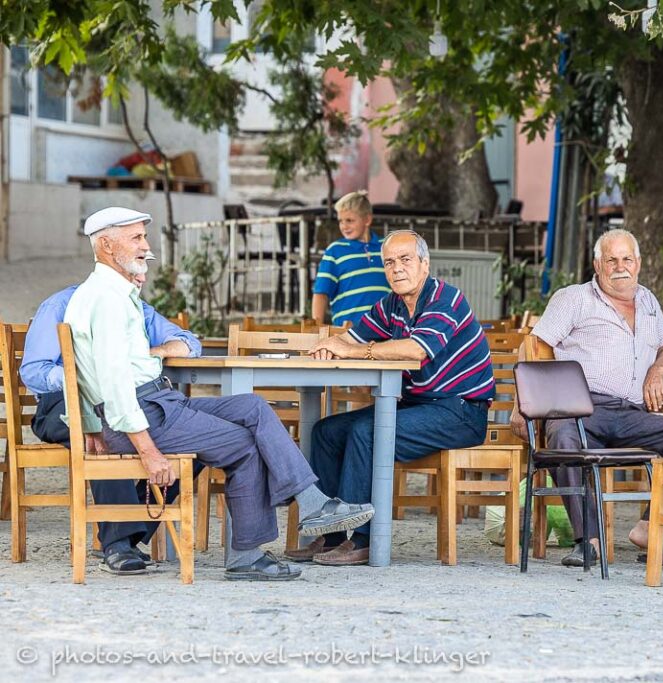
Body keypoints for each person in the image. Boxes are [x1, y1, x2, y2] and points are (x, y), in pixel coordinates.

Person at [64, 206, 369, 581]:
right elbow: (111, 381)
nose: (146, 245)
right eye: (137, 237)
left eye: (144, 236)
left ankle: (312, 503)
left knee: (252, 407)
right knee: (244, 444)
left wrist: (94, 427)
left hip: (157, 403)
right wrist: (147, 450)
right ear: (107, 245)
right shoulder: (107, 299)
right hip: (145, 412)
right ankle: (247, 556)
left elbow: (85, 374)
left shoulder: (103, 293)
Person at [512, 228, 663, 567]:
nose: (620, 267)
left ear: (638, 263)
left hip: (633, 412)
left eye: (627, 259)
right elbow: (533, 346)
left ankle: (648, 528)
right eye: (611, 260)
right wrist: (524, 405)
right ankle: (587, 539)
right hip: (582, 408)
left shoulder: (648, 300)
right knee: (562, 438)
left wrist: (658, 369)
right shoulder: (574, 298)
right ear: (597, 264)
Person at [297, 230, 494, 566]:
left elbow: (418, 349)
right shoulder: (391, 305)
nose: (397, 269)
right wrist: (328, 346)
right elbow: (352, 336)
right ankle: (331, 536)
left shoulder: (446, 298)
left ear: (424, 264)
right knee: (326, 432)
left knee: (367, 432)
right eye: (390, 262)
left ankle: (364, 540)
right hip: (417, 406)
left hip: (460, 411)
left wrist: (357, 350)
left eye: (405, 260)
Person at [20, 269, 203, 574]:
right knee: (101, 426)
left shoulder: (136, 308)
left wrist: (150, 353)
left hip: (127, 396)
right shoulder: (60, 305)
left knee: (194, 434)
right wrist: (84, 376)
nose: (137, 282)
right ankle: (118, 544)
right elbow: (33, 371)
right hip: (64, 401)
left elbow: (189, 342)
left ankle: (130, 535)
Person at [311, 190, 391, 325]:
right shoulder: (334, 252)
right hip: (348, 334)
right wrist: (316, 329)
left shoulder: (387, 248)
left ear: (367, 219)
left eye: (349, 220)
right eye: (341, 221)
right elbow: (321, 293)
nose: (344, 226)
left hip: (386, 333)